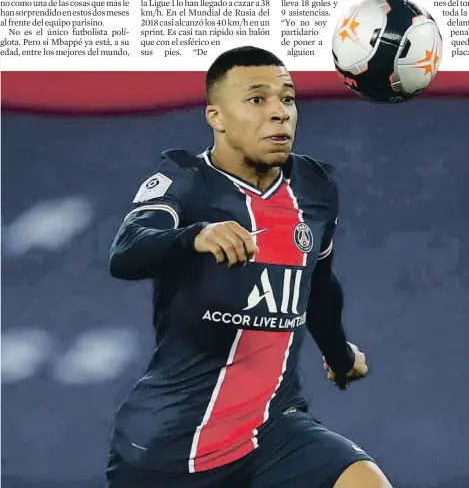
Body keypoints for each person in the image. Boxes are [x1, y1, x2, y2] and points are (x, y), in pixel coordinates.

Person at [105, 45, 393, 488]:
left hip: (274, 432)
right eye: (257, 99)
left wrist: (338, 353)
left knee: (365, 481)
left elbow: (316, 282)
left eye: (288, 98)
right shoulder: (184, 179)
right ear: (215, 117)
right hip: (169, 447)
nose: (279, 113)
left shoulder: (314, 186)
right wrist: (195, 236)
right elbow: (128, 250)